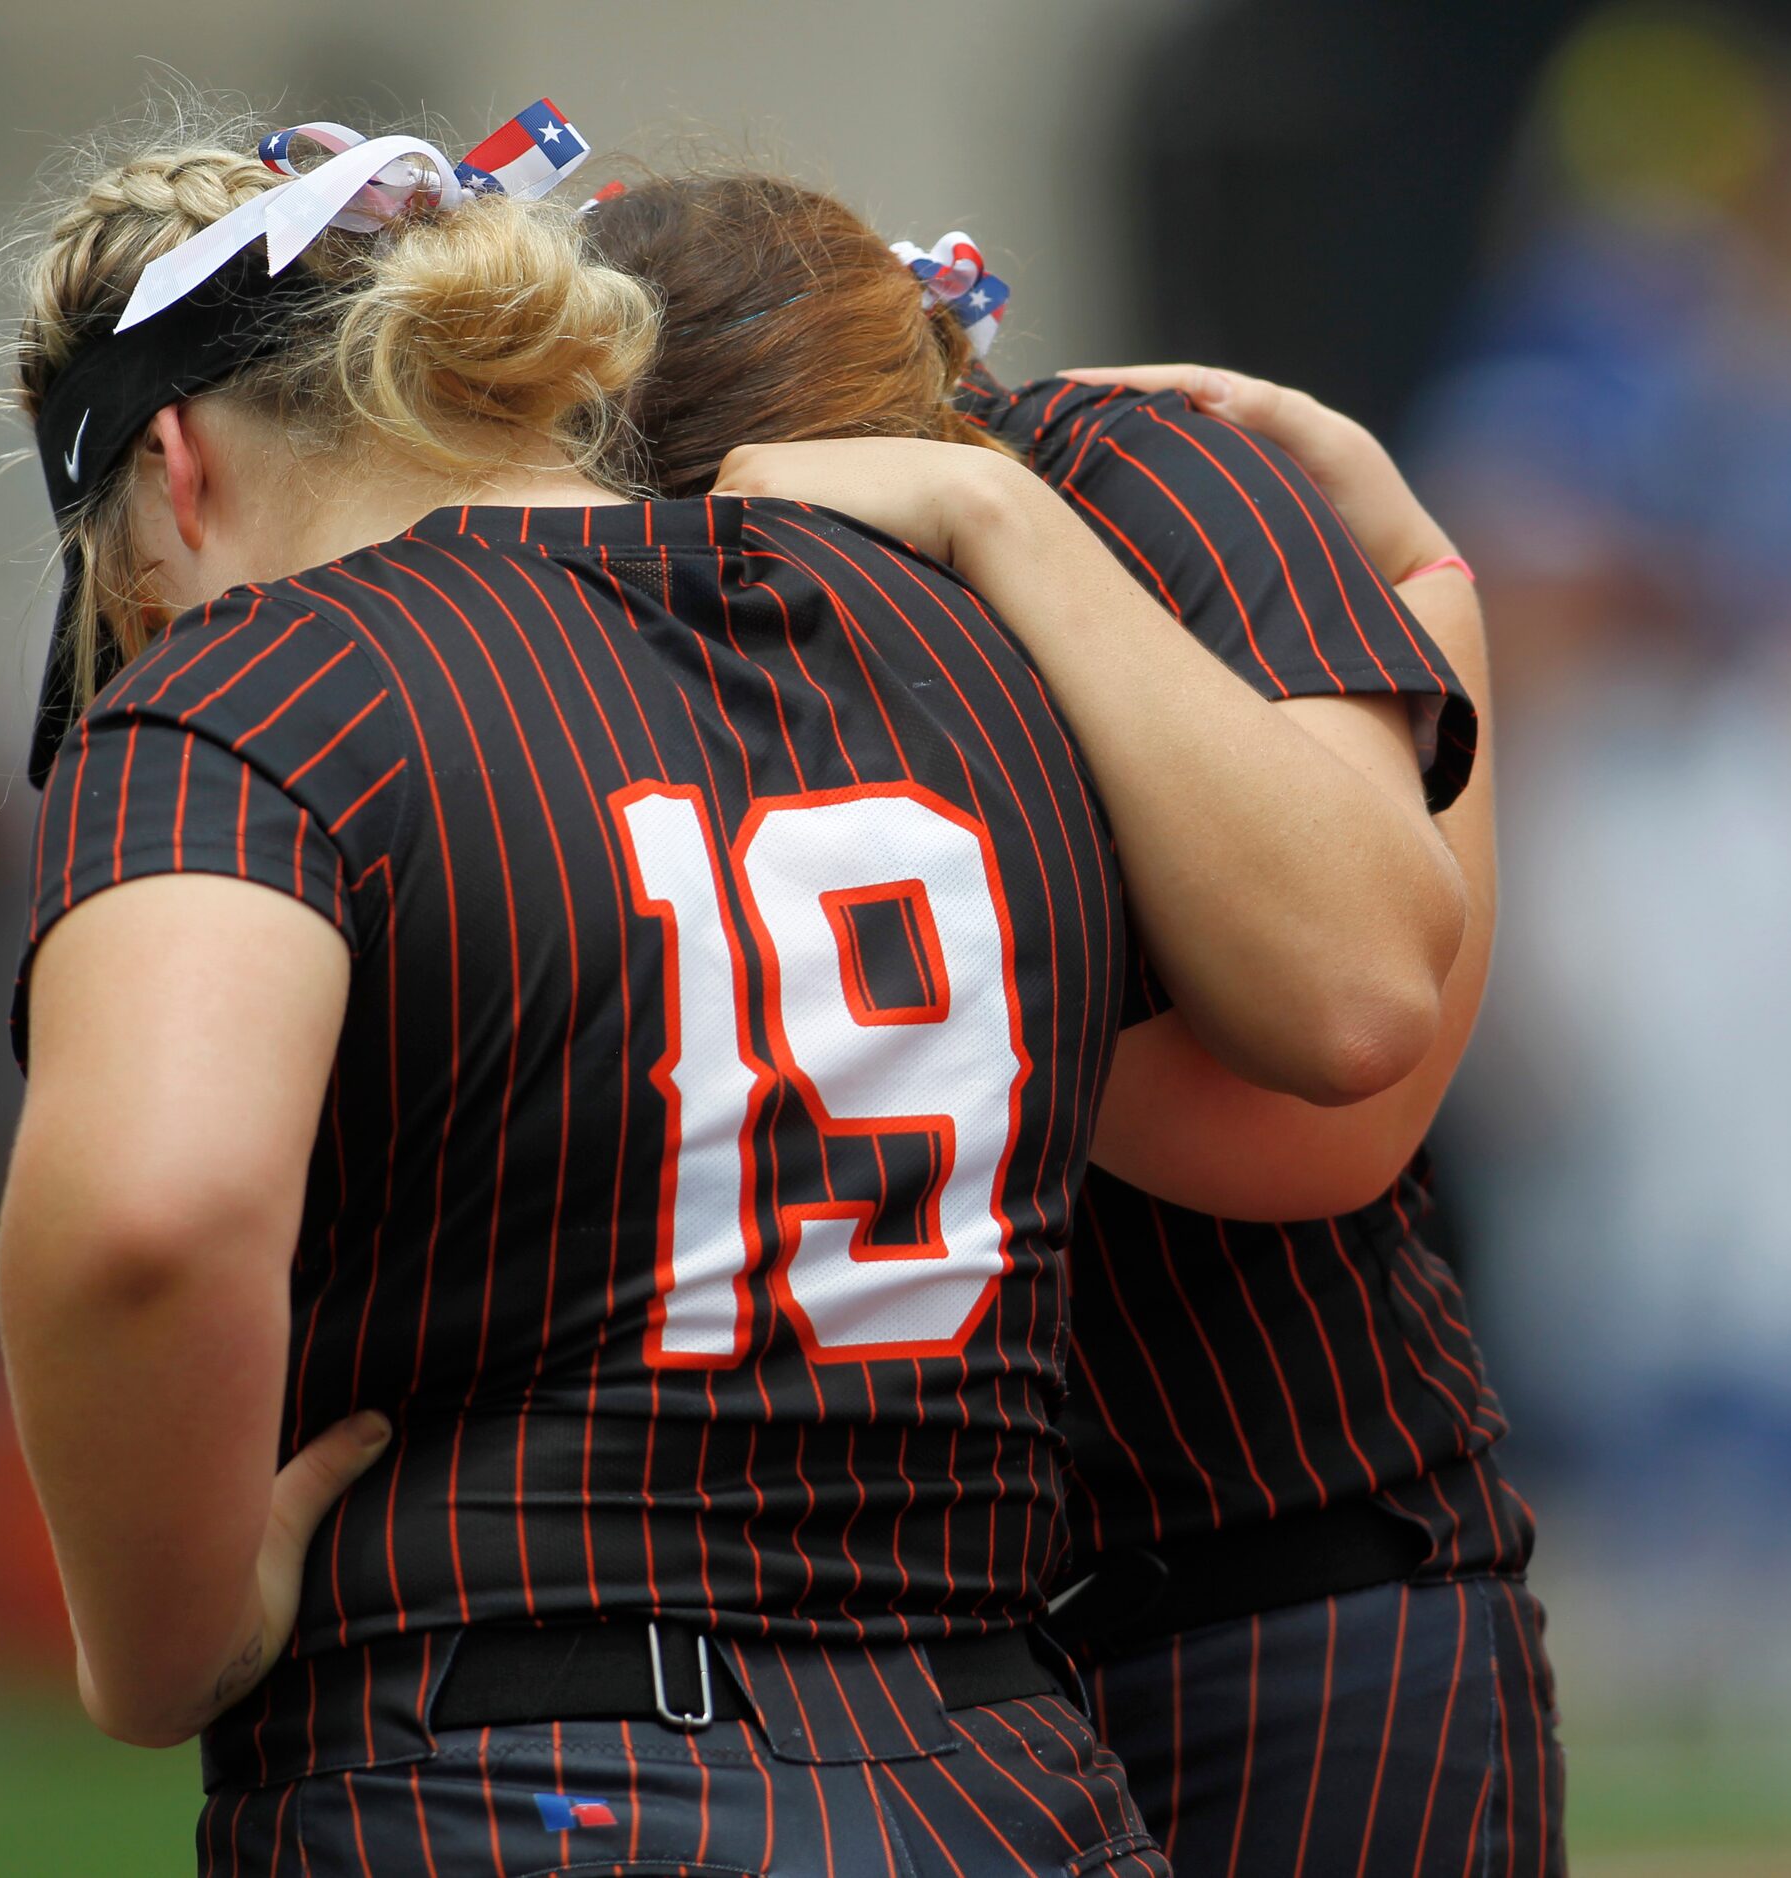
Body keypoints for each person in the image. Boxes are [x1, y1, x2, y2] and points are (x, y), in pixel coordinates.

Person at [0, 106, 1467, 1875]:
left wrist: (165, 1645)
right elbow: (1358, 1010)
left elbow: (148, 1215)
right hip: (1010, 1770)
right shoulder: (947, 620)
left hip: (500, 1766)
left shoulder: (249, 692)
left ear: (173, 468)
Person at [589, 173, 1560, 1876]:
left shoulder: (1127, 475)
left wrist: (1018, 534)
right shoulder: (546, 603)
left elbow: (1344, 1070)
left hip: (1264, 1572)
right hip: (843, 1667)